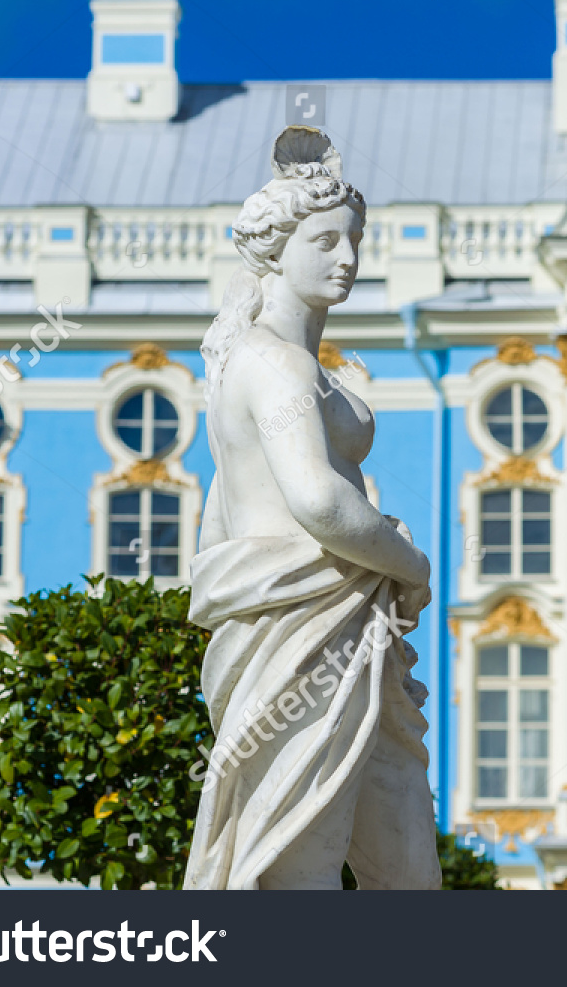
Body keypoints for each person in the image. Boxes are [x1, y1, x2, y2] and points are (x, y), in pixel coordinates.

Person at [184, 126, 440, 889]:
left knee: (410, 870)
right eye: (325, 240)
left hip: (352, 626)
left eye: (354, 238)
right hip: (304, 628)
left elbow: (215, 517)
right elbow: (320, 501)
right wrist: (411, 562)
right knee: (298, 862)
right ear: (275, 251)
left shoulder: (281, 366)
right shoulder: (273, 361)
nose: (348, 257)